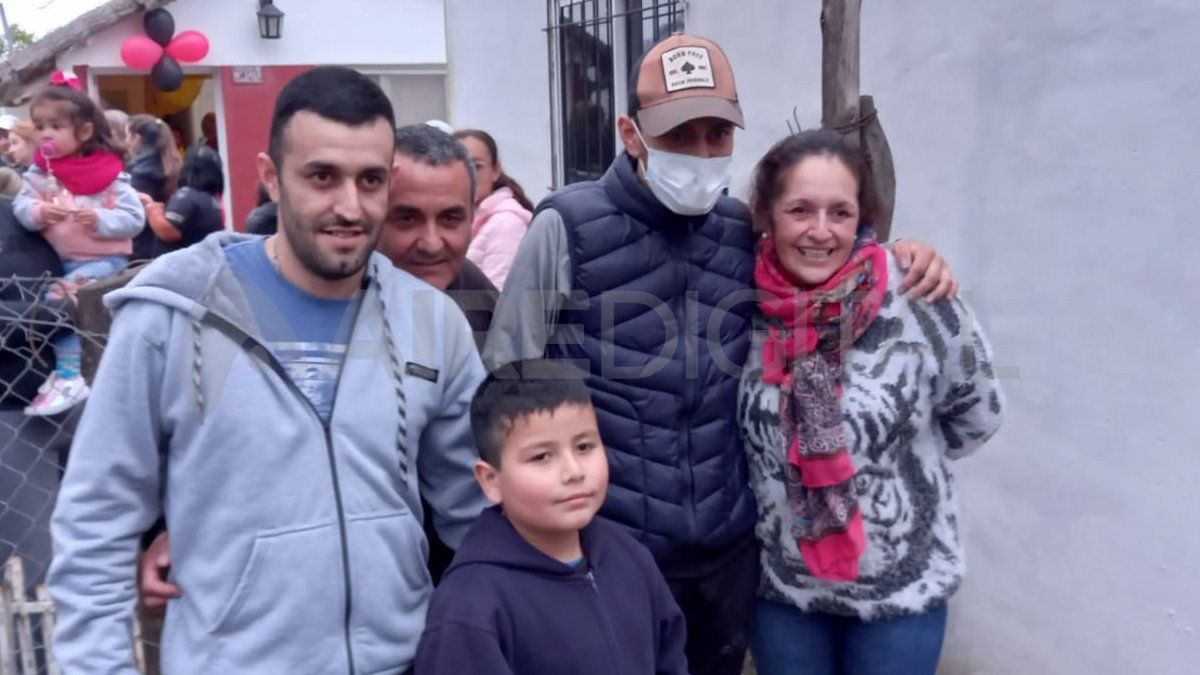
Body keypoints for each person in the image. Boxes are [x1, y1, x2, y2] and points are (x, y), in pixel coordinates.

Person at [484, 33, 956, 675]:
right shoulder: (565, 226)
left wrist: (907, 255)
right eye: (679, 135)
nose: (702, 153)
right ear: (631, 132)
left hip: (728, 554)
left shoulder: (742, 231)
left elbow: (829, 256)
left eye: (717, 134)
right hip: (611, 546)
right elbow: (510, 379)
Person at [48, 65, 487, 674]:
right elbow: (96, 520)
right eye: (322, 177)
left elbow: (476, 512)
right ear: (270, 178)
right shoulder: (167, 321)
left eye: (370, 180)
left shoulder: (433, 324)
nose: (350, 205)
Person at [739, 130, 1005, 675]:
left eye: (840, 212)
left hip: (900, 595)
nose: (820, 230)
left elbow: (977, 415)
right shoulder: (738, 302)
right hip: (782, 591)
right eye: (800, 209)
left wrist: (890, 457)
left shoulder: (917, 295)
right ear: (767, 214)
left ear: (862, 218)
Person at [415, 358, 689, 674]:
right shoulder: (470, 607)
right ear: (491, 481)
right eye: (542, 457)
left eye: (585, 447)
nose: (573, 472)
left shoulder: (630, 557)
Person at [13, 80, 145, 417]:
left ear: (85, 132)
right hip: (62, 262)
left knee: (61, 302)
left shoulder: (109, 177)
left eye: (56, 127)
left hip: (105, 261)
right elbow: (21, 208)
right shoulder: (39, 177)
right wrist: (39, 212)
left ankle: (71, 375)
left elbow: (134, 219)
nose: (45, 135)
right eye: (40, 126)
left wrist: (99, 219)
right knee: (54, 303)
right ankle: (69, 371)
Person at [453, 129, 533, 289]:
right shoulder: (464, 218)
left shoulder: (507, 224)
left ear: (495, 170)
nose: (468, 175)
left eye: (476, 166)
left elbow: (495, 299)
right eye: (456, 166)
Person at [142, 145, 224, 256]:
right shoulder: (212, 201)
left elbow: (169, 231)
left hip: (177, 266)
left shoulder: (186, 195)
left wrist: (153, 210)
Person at [127, 114, 181, 259]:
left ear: (137, 138)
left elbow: (135, 215)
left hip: (143, 246)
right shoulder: (173, 165)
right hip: (166, 244)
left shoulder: (141, 172)